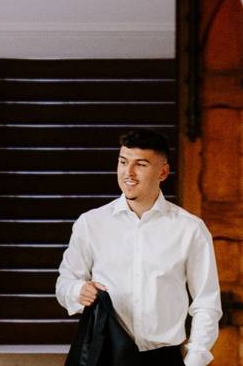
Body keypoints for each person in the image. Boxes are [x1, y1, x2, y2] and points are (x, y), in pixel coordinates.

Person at [56, 129, 222, 366]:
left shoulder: (190, 230)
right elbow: (64, 284)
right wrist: (78, 290)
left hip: (163, 358)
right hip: (104, 356)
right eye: (123, 162)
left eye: (141, 165)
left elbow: (207, 303)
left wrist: (195, 358)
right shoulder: (91, 223)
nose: (128, 173)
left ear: (163, 172)